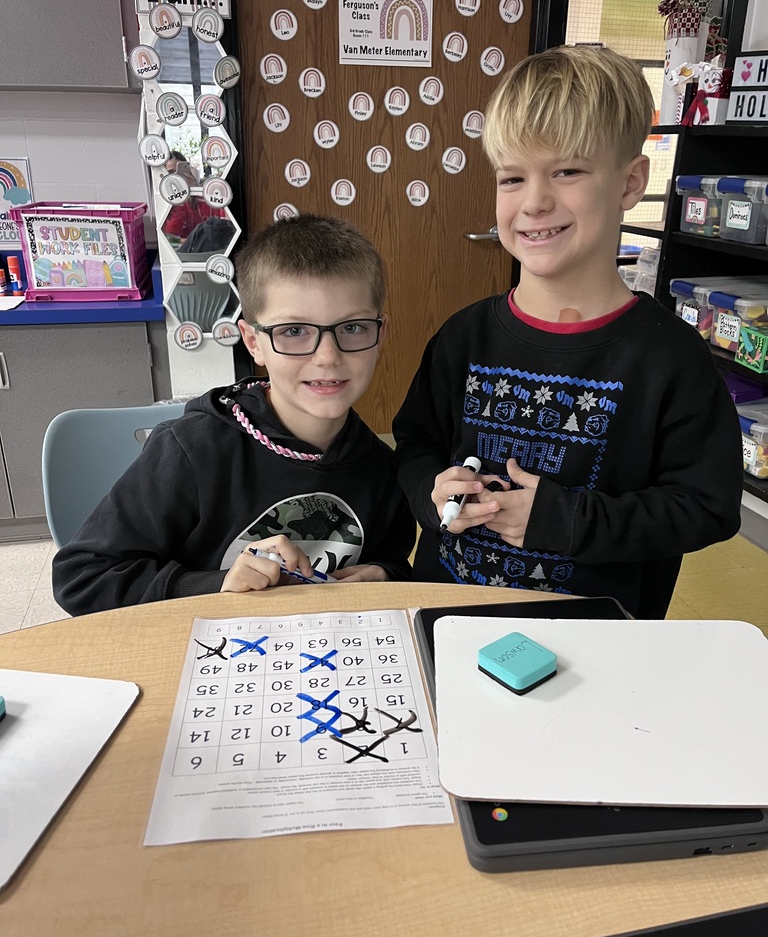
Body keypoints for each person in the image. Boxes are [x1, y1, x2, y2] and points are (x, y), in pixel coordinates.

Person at [392, 45, 742, 619]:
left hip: (596, 641)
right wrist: (434, 495)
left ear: (630, 183)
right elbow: (414, 445)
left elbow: (706, 507)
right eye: (512, 178)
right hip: (448, 618)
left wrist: (566, 520)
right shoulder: (463, 337)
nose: (534, 201)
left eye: (567, 171)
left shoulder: (670, 357)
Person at [53, 213, 415, 615]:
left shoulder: (385, 469)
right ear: (253, 342)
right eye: (293, 331)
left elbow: (394, 561)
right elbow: (82, 577)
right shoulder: (192, 450)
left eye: (352, 328)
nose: (327, 358)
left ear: (380, 335)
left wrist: (385, 574)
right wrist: (214, 585)